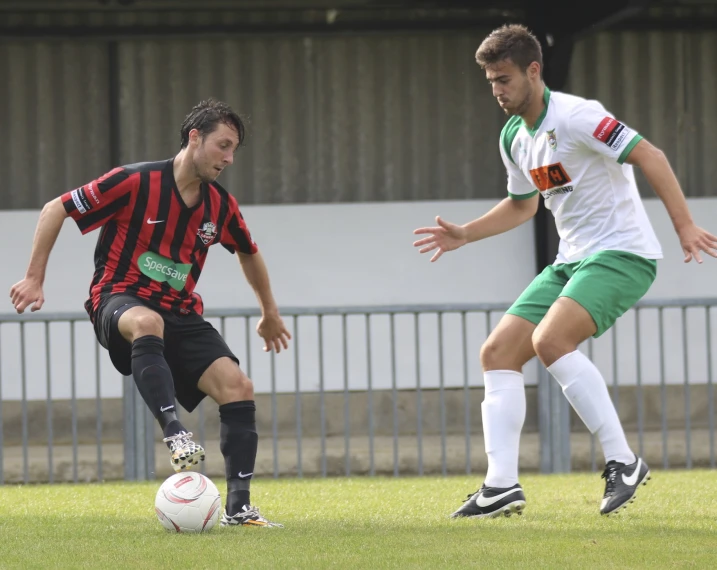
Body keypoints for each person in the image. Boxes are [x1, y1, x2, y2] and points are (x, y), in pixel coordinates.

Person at [413, 24, 717, 518]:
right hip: (571, 260)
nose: (497, 90)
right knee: (497, 353)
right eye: (491, 81)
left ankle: (623, 460)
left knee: (550, 342)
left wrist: (684, 226)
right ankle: (501, 485)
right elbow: (522, 206)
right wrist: (465, 233)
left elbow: (650, 155)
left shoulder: (578, 116)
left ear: (534, 71)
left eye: (505, 79)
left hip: (622, 254)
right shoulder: (515, 135)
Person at [10, 99, 291, 528]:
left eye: (234, 150)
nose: (229, 158)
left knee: (239, 386)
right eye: (223, 145)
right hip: (117, 297)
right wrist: (34, 278)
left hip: (180, 311)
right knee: (147, 322)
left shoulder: (220, 205)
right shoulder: (134, 181)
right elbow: (56, 208)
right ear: (195, 137)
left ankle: (239, 508)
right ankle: (175, 431)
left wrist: (269, 312)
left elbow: (249, 253)